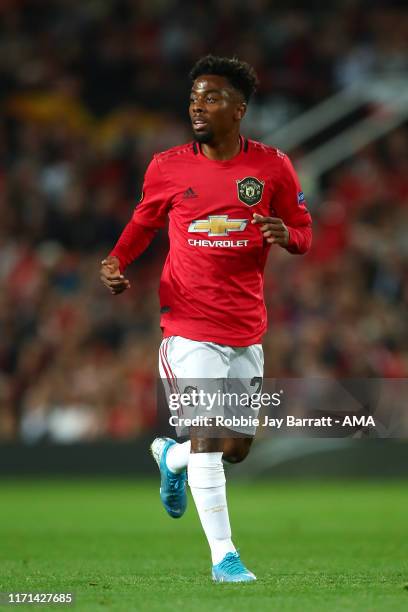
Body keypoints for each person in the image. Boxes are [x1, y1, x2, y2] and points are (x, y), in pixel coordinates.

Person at [100, 55, 312, 583]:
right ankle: (225, 558)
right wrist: (116, 261)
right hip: (188, 325)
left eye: (212, 98)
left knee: (235, 448)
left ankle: (172, 458)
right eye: (194, 97)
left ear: (238, 109)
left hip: (246, 328)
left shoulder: (272, 167)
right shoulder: (167, 166)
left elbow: (303, 226)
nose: (198, 106)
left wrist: (290, 237)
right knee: (210, 436)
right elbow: (142, 223)